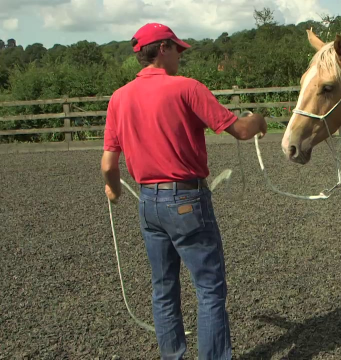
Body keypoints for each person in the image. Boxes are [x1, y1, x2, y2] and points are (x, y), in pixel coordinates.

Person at [100, 22, 267, 360]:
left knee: (163, 290)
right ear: (162, 48)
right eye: (177, 48)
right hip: (186, 200)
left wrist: (114, 190)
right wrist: (259, 118)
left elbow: (107, 163)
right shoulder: (187, 88)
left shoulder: (119, 98)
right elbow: (240, 130)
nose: (180, 55)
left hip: (148, 202)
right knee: (209, 290)